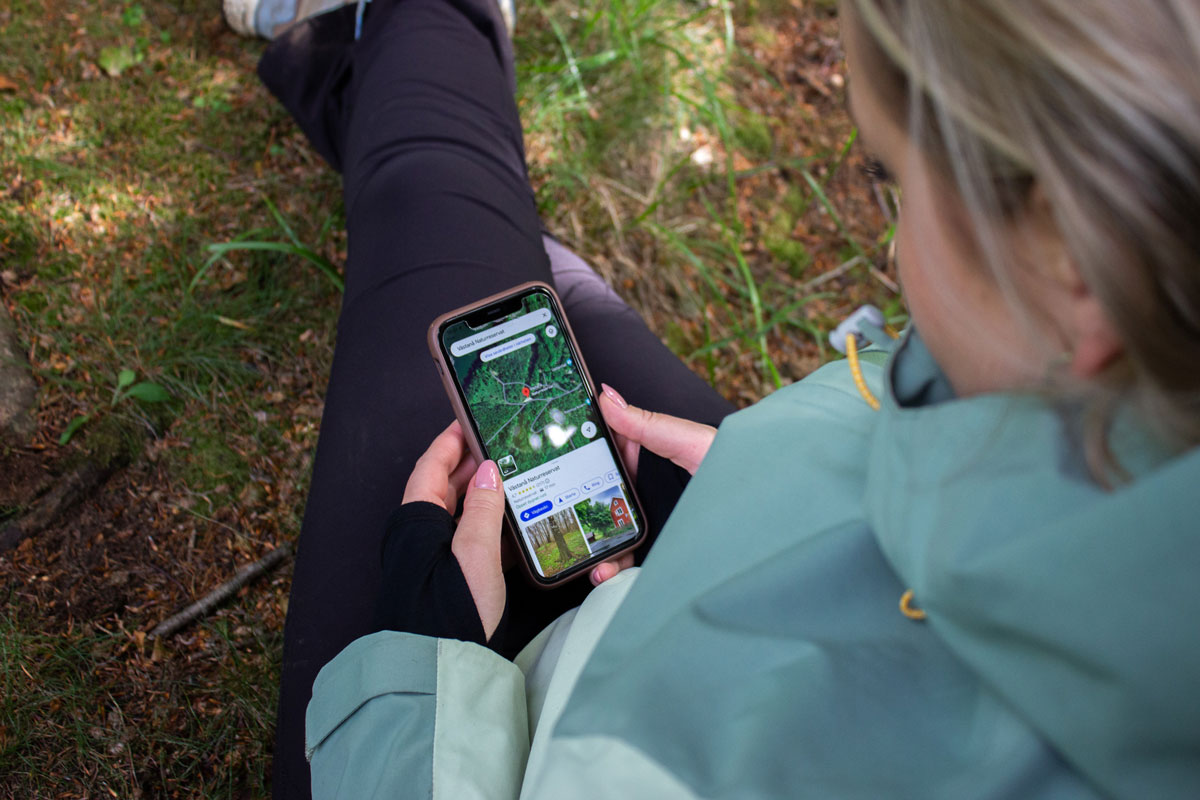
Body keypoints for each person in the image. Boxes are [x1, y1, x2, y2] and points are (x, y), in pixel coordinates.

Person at [230, 0, 1200, 797]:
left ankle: (398, 31)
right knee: (528, 274)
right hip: (729, 528)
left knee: (451, 215)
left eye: (895, 184)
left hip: (491, 717)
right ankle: (377, 51)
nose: (896, 257)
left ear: (1079, 267)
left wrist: (421, 665)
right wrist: (785, 474)